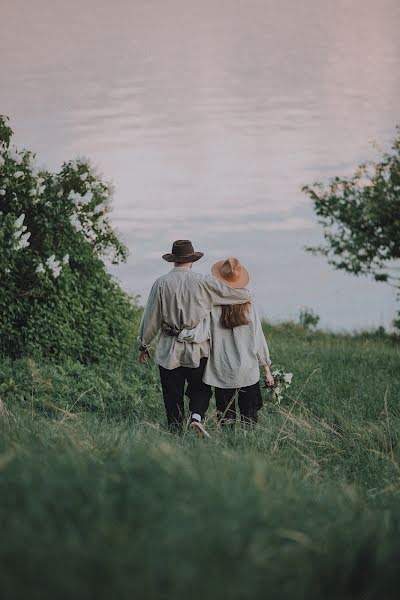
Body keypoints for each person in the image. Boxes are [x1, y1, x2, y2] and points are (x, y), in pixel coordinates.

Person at [138, 240, 250, 435]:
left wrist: (143, 344)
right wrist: (245, 295)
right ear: (192, 260)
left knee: (172, 393)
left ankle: (175, 431)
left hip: (169, 347)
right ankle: (196, 416)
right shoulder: (204, 281)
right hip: (197, 347)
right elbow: (235, 294)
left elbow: (151, 318)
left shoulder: (161, 283)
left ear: (173, 260)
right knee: (200, 388)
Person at [181, 257, 274, 426]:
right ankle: (249, 447)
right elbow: (258, 337)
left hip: (221, 368)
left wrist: (179, 334)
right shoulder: (248, 304)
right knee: (250, 415)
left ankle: (227, 448)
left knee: (225, 417)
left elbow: (200, 334)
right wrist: (266, 368)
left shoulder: (212, 306)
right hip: (248, 369)